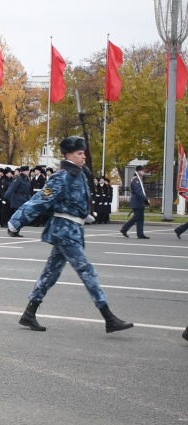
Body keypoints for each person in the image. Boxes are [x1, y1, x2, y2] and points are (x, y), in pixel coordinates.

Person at [9, 136, 133, 333]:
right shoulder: (62, 176)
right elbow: (41, 200)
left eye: (84, 153)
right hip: (64, 231)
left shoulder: (79, 175)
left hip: (73, 230)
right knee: (86, 270)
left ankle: (29, 313)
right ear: (69, 155)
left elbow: (77, 200)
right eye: (80, 153)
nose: (84, 156)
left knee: (51, 273)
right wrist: (16, 222)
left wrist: (86, 215)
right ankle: (108, 317)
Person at [120, 165, 149, 239]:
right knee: (136, 217)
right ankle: (124, 229)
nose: (143, 172)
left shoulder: (139, 179)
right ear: (139, 171)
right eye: (142, 170)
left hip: (139, 200)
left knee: (140, 218)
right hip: (137, 200)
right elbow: (138, 191)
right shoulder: (135, 179)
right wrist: (145, 199)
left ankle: (140, 233)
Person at [3, 165, 31, 233]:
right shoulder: (18, 179)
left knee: (21, 217)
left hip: (24, 199)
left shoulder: (26, 180)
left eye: (28, 171)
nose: (28, 172)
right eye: (26, 171)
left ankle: (16, 230)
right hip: (17, 199)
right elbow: (12, 188)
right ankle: (11, 229)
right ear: (23, 172)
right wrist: (5, 197)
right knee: (17, 216)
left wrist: (30, 200)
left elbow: (28, 191)